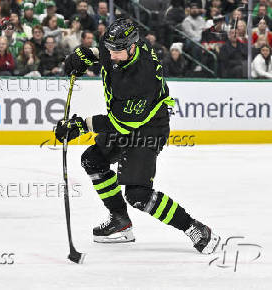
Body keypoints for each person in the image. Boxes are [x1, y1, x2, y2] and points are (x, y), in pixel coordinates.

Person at [57, 18, 220, 254]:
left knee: (138, 194)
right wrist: (85, 55)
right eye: (109, 49)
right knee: (93, 160)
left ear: (132, 47)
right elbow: (103, 52)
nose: (111, 56)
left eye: (117, 52)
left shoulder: (140, 79)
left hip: (149, 127)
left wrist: (80, 126)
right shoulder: (118, 43)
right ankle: (120, 221)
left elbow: (119, 126)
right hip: (127, 119)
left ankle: (195, 228)